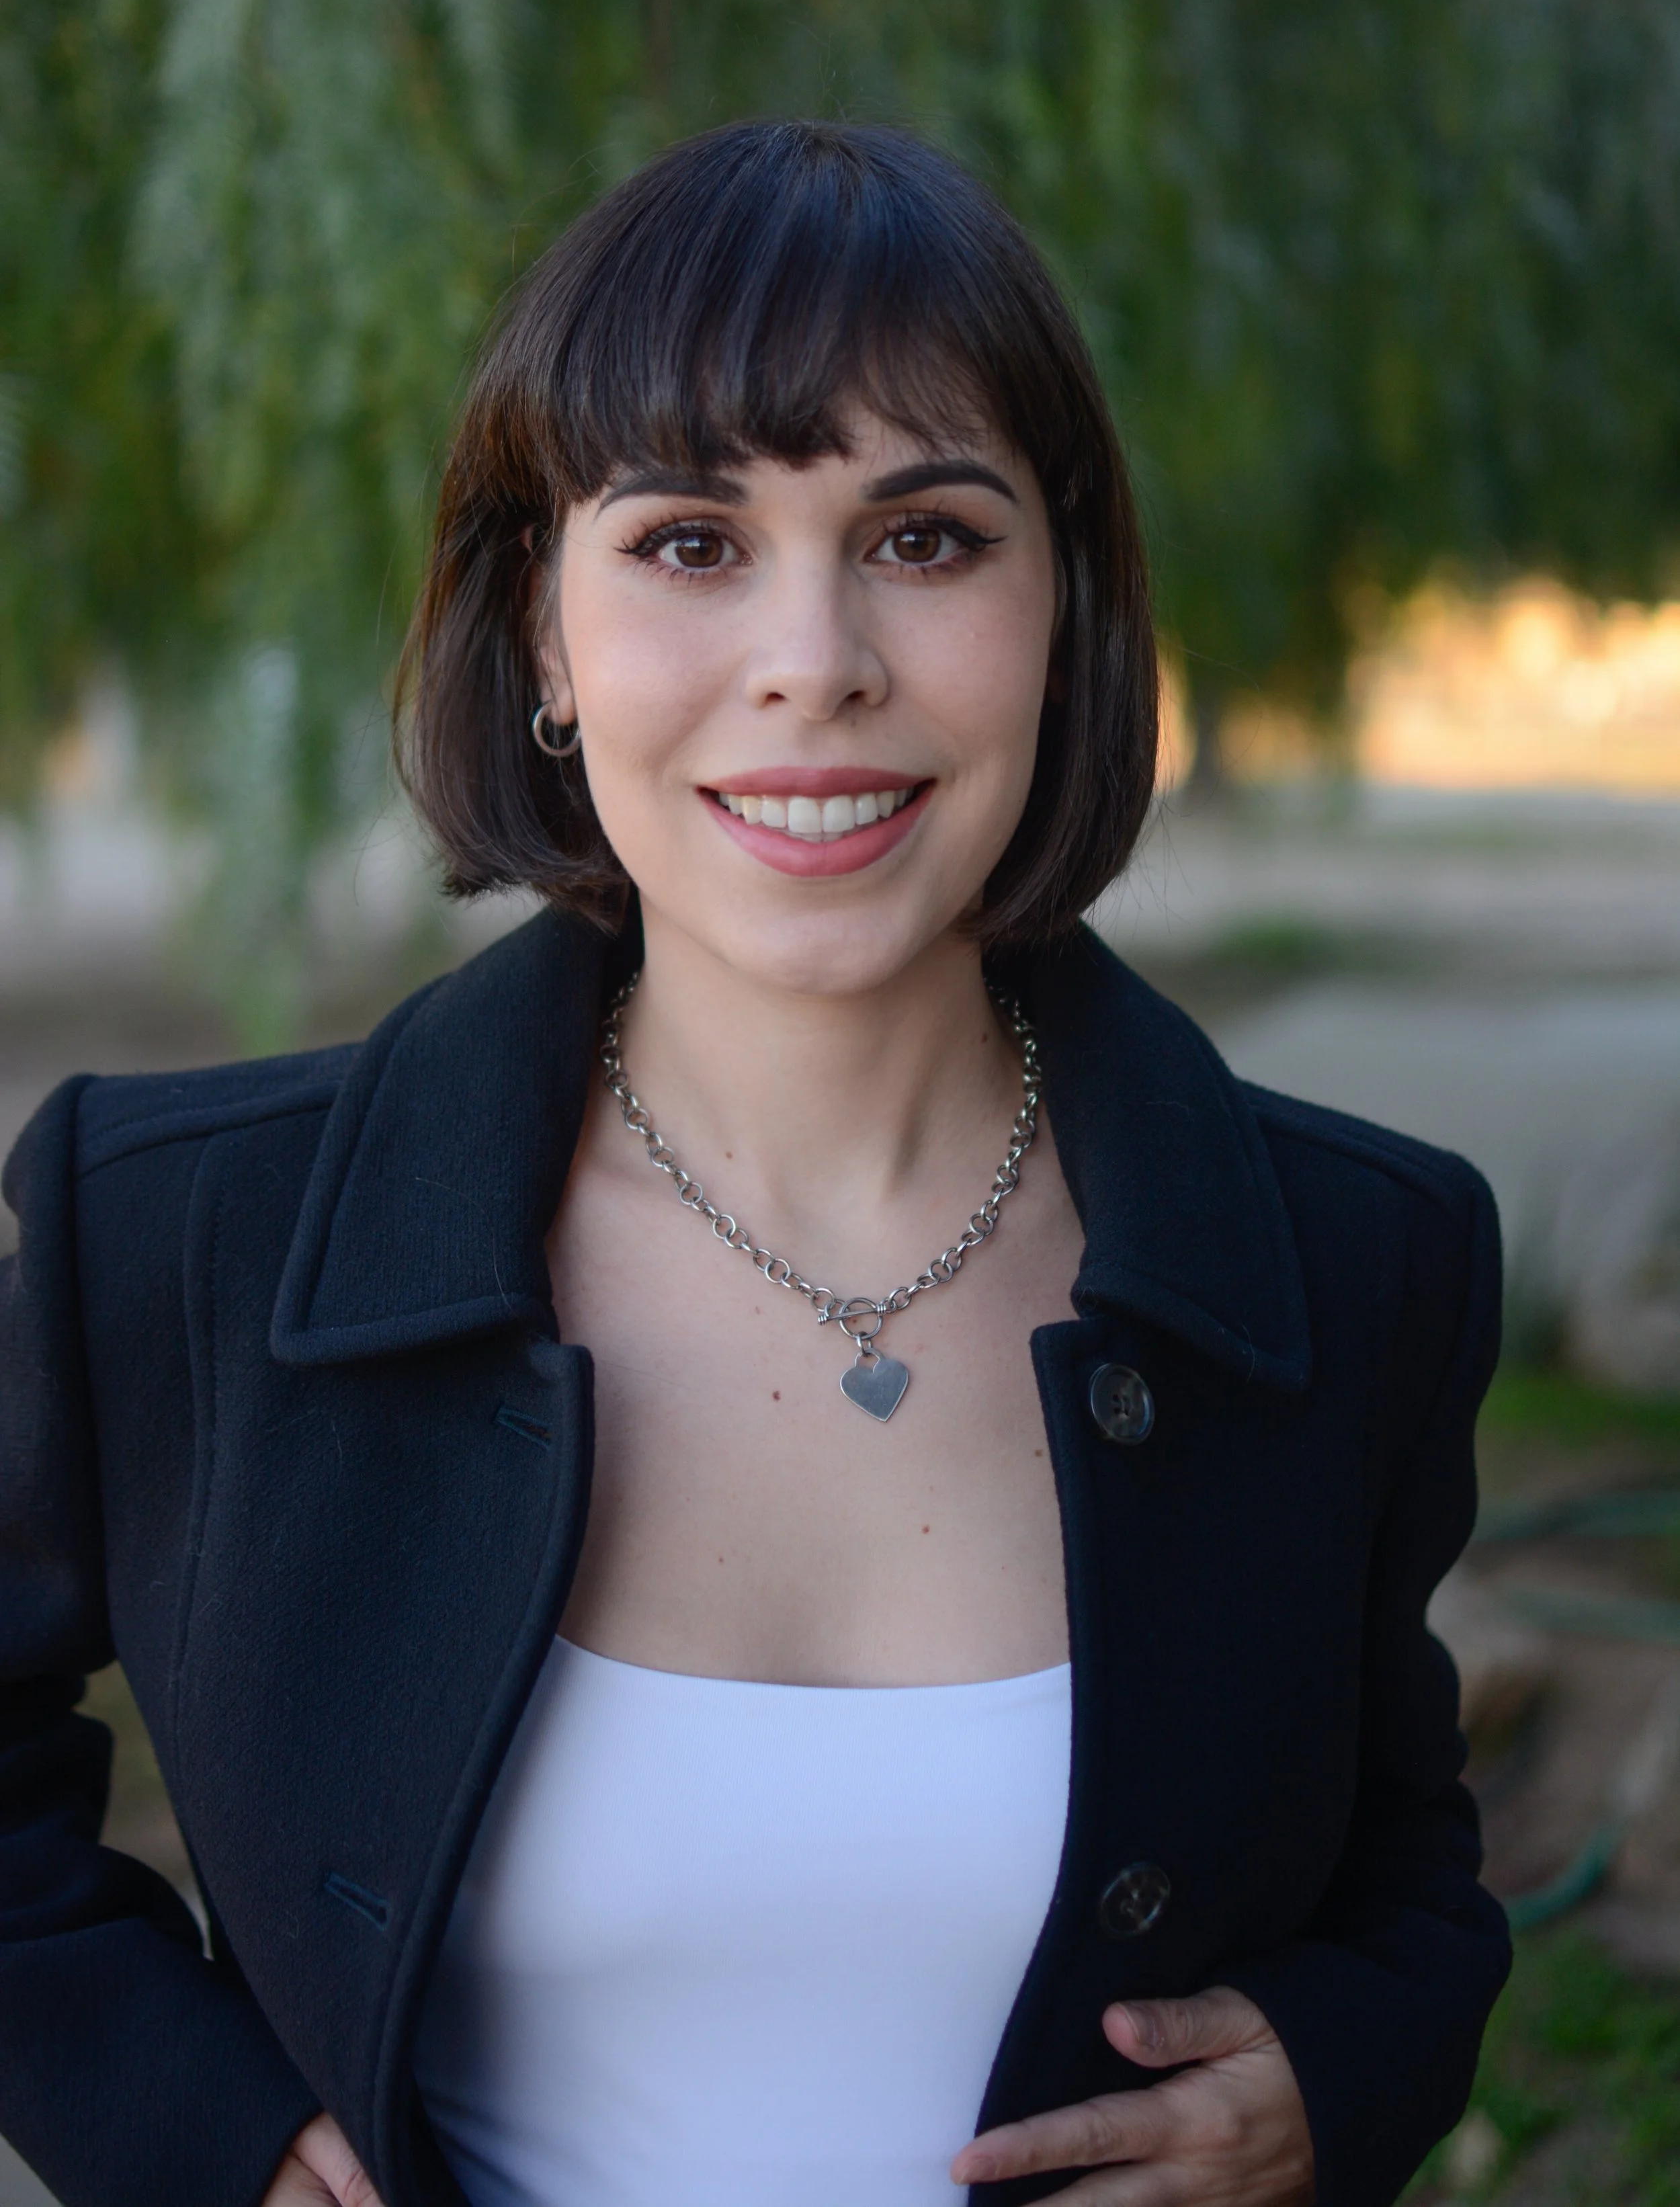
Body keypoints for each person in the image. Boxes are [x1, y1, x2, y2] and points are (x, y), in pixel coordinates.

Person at [0, 121, 1508, 2207]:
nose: (815, 659)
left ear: (1063, 606)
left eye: (926, 537)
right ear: (539, 631)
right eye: (691, 542)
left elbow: (1406, 1868)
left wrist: (1328, 2074)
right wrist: (204, 2139)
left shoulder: (1357, 1260)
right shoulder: (169, 1229)